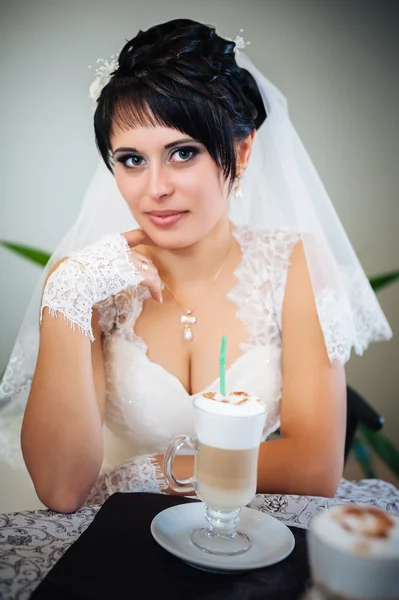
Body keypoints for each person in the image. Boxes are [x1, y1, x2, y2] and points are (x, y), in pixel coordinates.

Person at [0, 19, 392, 513]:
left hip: (241, 531)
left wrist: (153, 473)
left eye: (183, 153)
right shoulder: (86, 282)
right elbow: (61, 490)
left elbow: (314, 467)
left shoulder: (295, 264)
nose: (155, 188)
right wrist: (69, 297)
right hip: (116, 535)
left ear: (242, 150)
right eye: (131, 160)